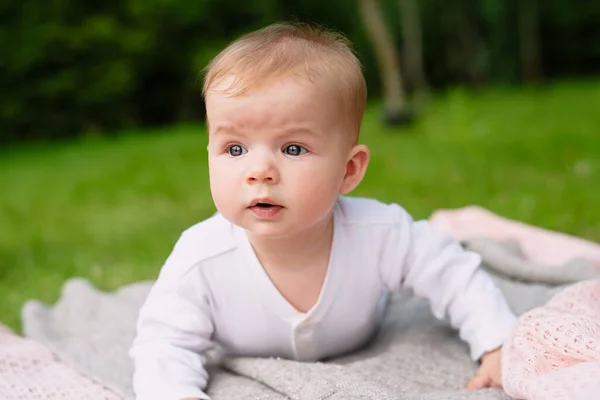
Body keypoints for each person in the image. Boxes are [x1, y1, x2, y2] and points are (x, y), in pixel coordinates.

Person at [129, 22, 517, 400]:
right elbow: (163, 344)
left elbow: (452, 274)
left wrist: (497, 343)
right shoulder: (201, 258)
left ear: (348, 170)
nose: (259, 171)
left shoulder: (379, 232)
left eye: (293, 149)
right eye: (235, 149)